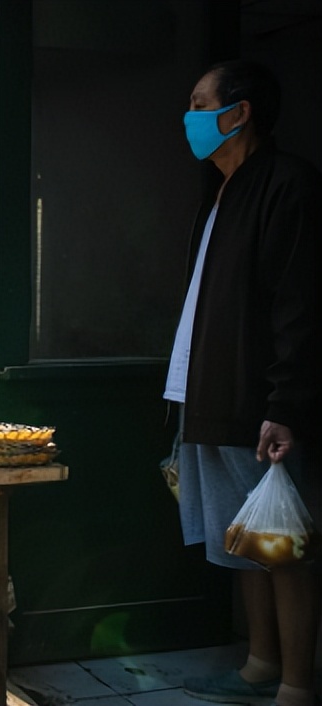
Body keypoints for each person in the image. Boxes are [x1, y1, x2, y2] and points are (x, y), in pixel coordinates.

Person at [164, 60, 322, 706]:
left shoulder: (289, 186)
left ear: (241, 111)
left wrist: (284, 403)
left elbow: (299, 303)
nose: (191, 116)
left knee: (282, 545)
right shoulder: (221, 190)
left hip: (259, 399)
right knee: (244, 538)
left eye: (201, 102)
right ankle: (260, 661)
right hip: (211, 394)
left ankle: (296, 683)